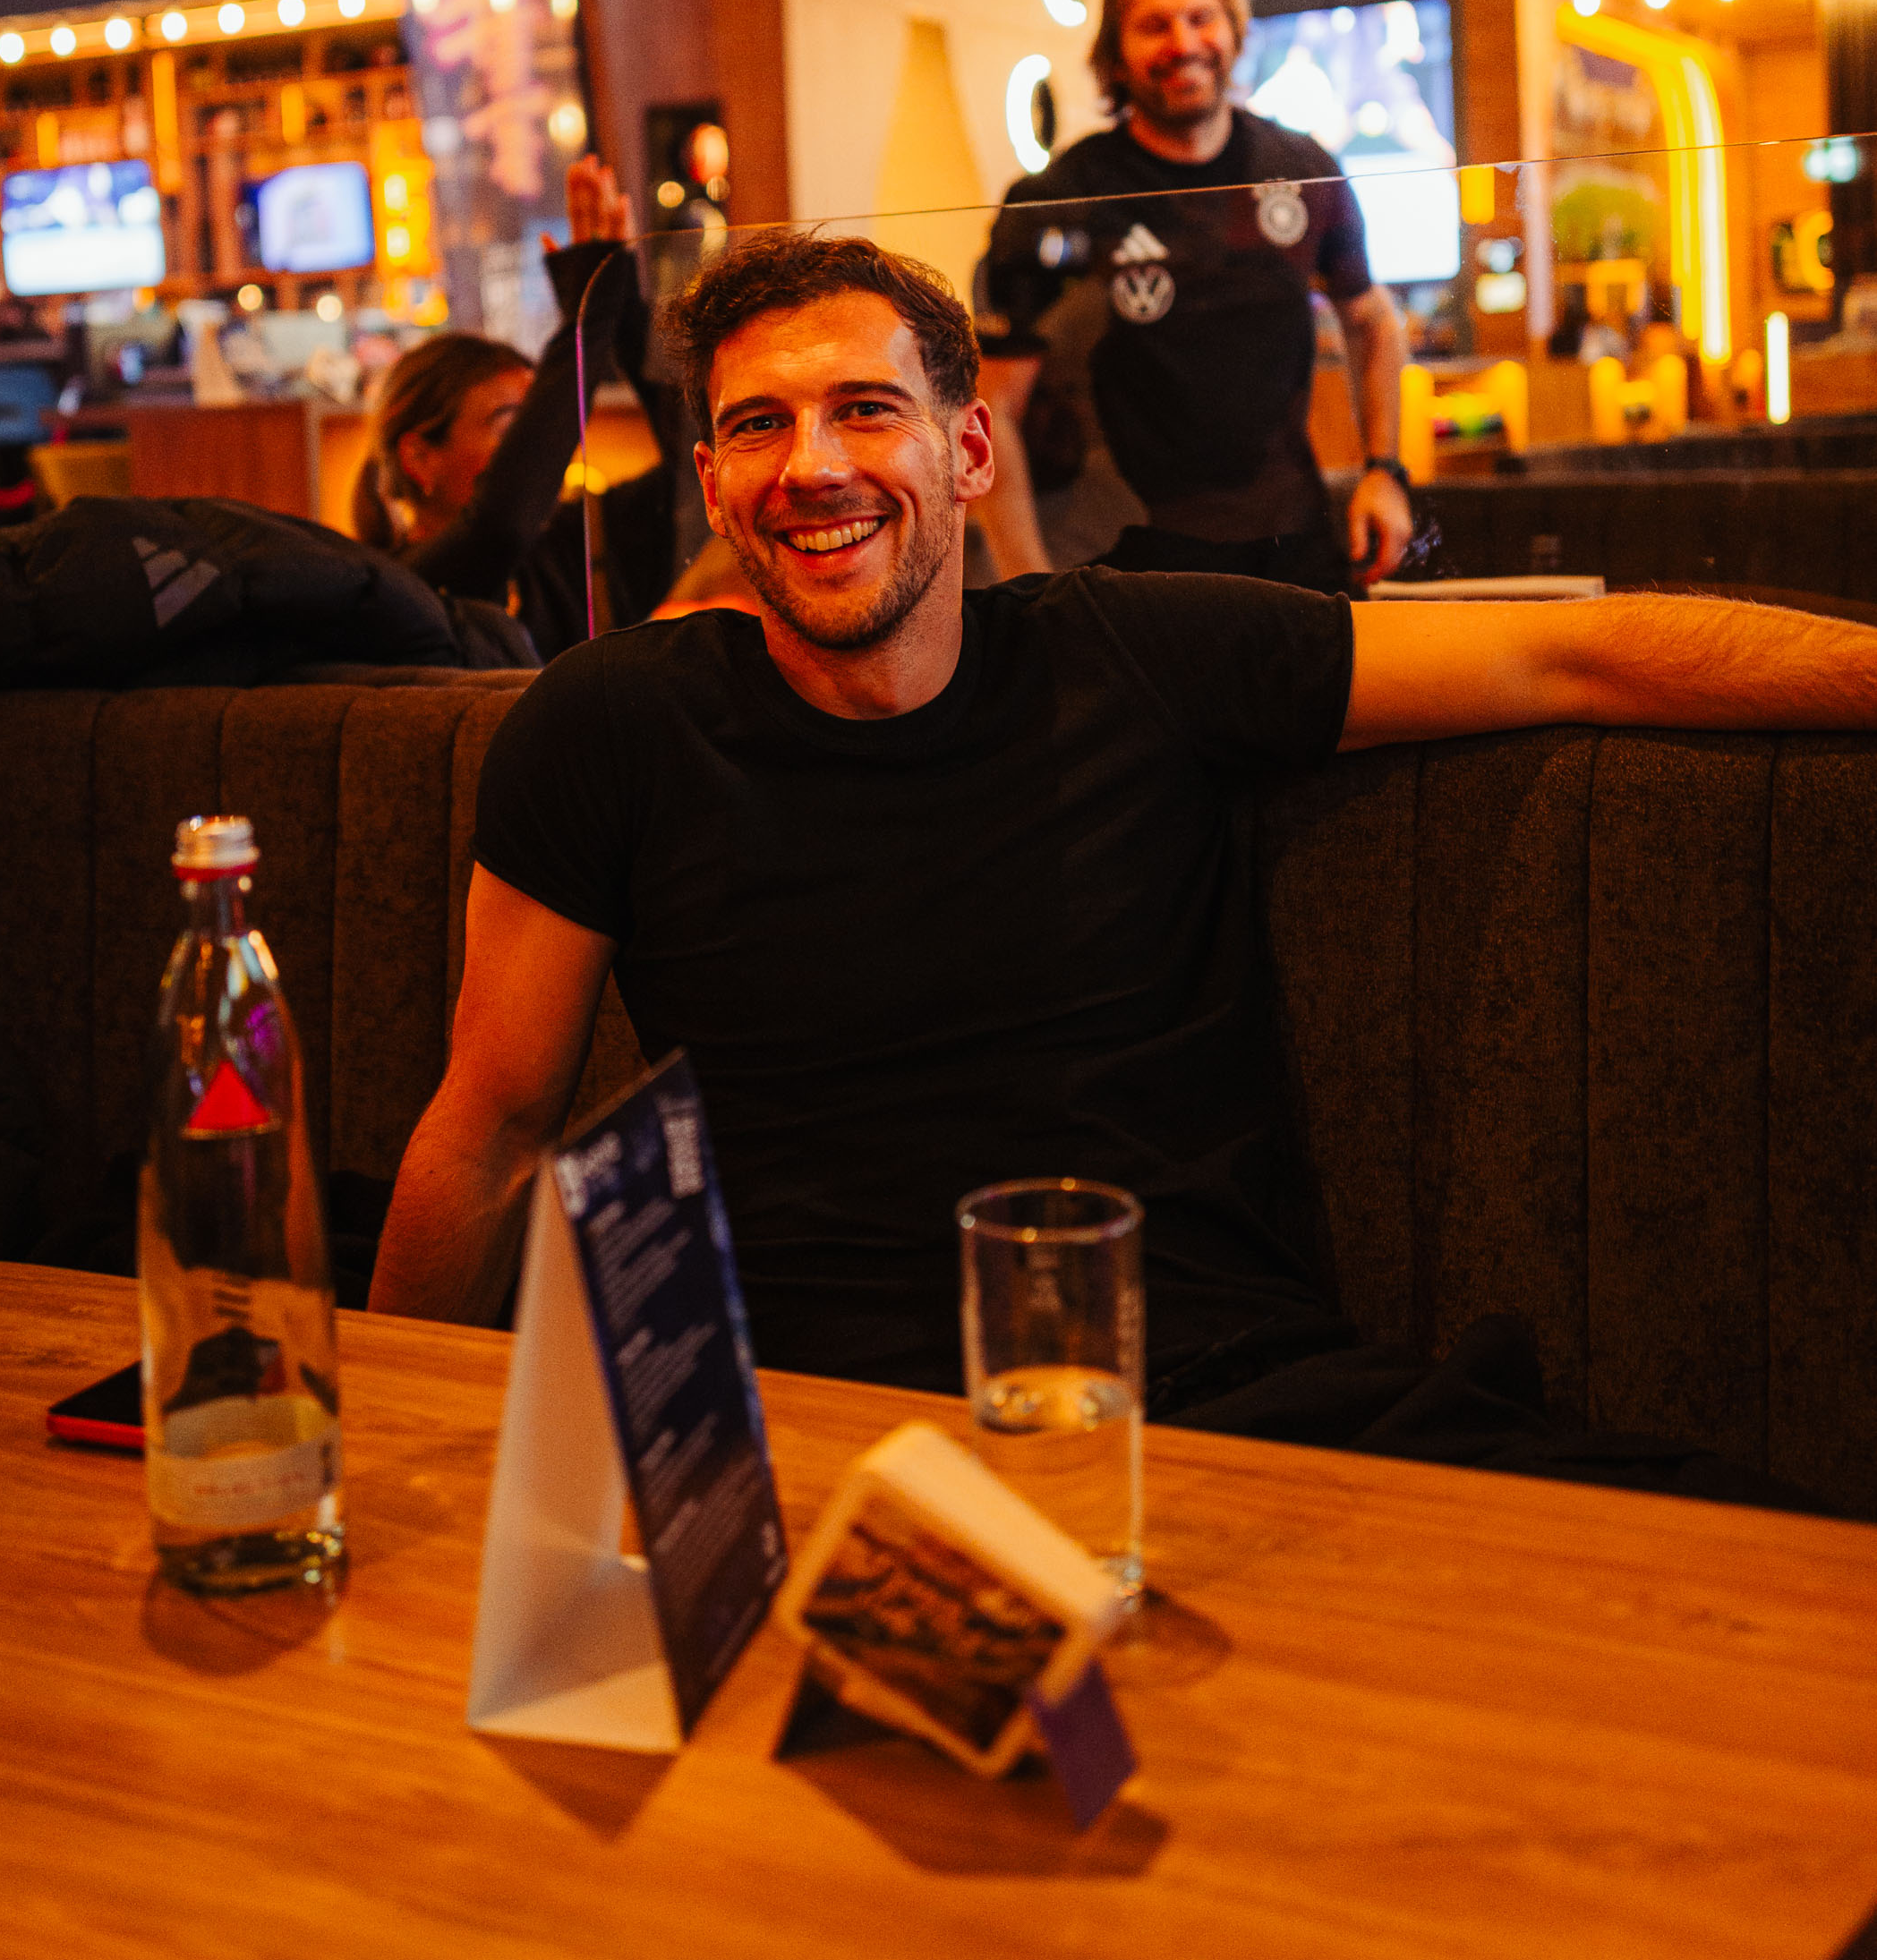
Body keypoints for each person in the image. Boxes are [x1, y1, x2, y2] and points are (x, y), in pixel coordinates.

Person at [370, 231, 1877, 1498]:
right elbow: (488, 1127)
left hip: (1216, 1401)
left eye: (864, 410)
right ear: (711, 480)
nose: (811, 465)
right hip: (798, 1439)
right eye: (759, 425)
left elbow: (1572, 652)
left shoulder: (1130, 651)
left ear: (967, 448)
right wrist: (387, 1456)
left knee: (1766, 1560)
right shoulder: (609, 726)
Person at [982, 0, 1412, 595]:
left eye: (1201, 18)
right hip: (1127, 567)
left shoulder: (1302, 169)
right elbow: (991, 409)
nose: (1183, 43)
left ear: (1234, 34)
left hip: (1295, 552)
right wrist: (1027, 590)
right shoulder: (1058, 198)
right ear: (1115, 57)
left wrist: (1385, 470)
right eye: (1154, 26)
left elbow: (1373, 320)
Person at [353, 157, 684, 660]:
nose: (542, 451)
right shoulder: (396, 588)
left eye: (540, 424)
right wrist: (587, 318)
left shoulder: (569, 548)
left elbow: (699, 471)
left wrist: (627, 320)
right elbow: (500, 526)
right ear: (419, 457)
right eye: (513, 427)